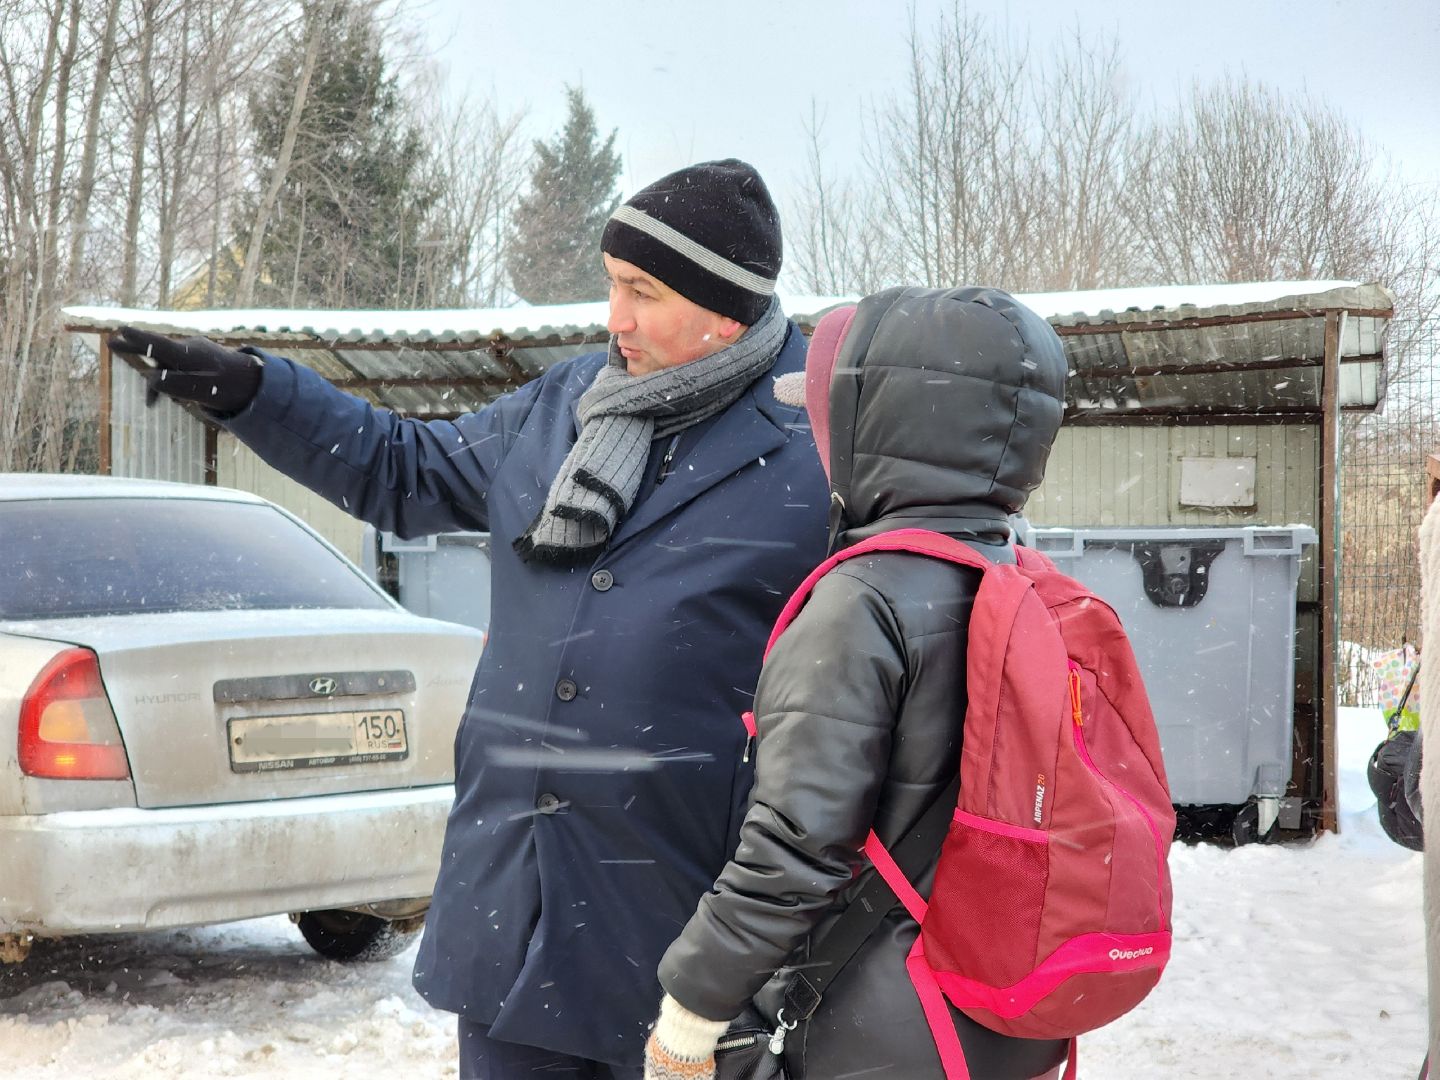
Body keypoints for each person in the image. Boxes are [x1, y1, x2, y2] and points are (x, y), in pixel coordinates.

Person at [109, 159, 830, 1079]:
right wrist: (252, 391)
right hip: (515, 911)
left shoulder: (816, 445)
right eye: (612, 285)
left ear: (723, 310)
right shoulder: (564, 405)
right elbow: (405, 470)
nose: (615, 319)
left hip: (686, 932)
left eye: (640, 292)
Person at [642, 287, 1074, 1080]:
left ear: (879, 425)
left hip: (873, 1023)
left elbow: (796, 848)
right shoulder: (1018, 579)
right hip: (996, 1011)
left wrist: (689, 1015)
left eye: (825, 417)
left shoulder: (860, 601)